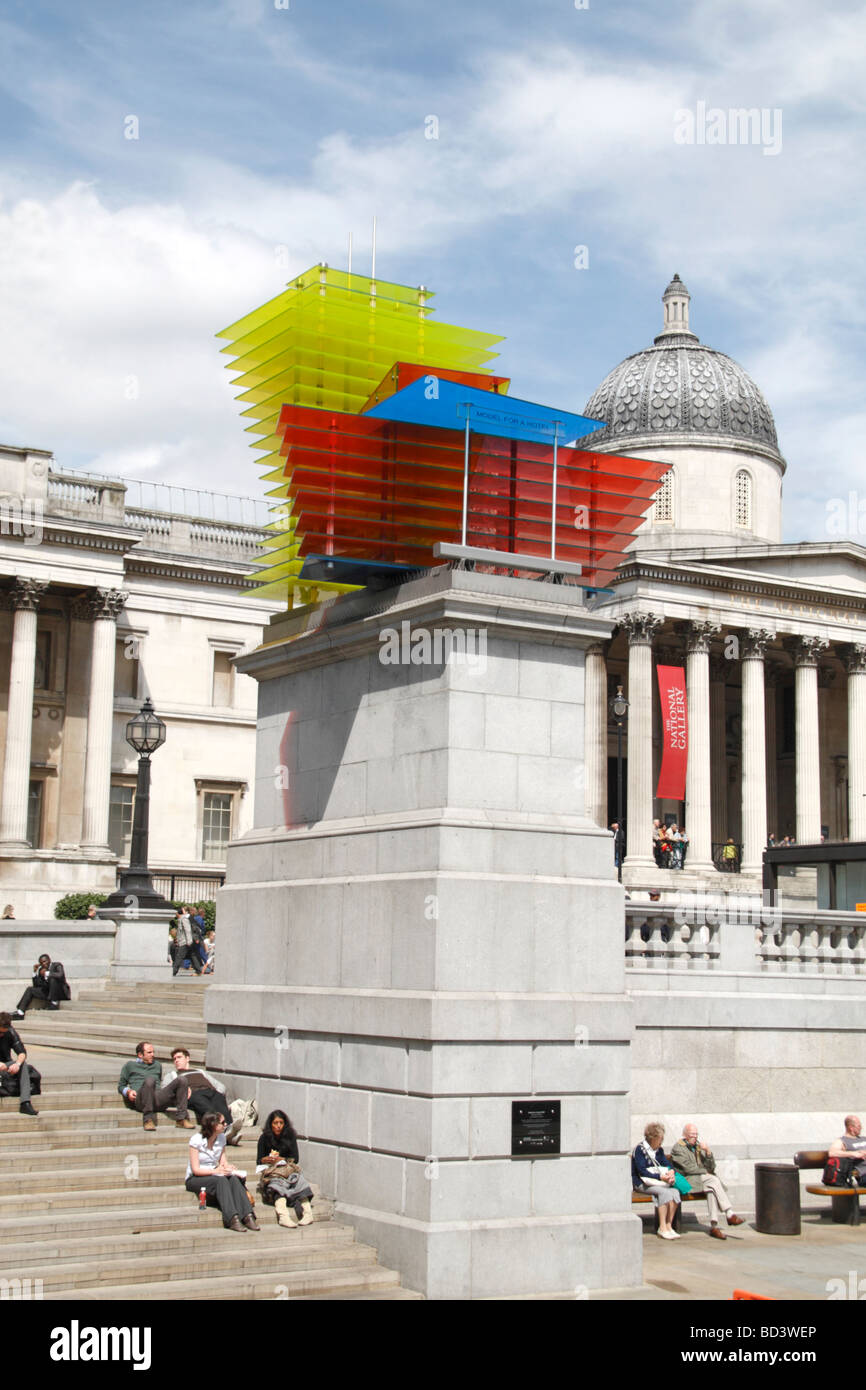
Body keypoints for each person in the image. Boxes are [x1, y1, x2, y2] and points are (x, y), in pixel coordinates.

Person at [186, 1111, 258, 1232]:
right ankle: (231, 1218)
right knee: (220, 1180)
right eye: (222, 1122)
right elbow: (196, 1170)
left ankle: (247, 1216)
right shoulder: (196, 1140)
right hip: (196, 1177)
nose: (225, 1125)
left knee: (234, 1179)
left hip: (215, 1173)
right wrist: (216, 1171)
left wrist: (228, 1167)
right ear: (213, 1125)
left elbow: (223, 1161)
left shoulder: (221, 1138)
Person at [669, 1123, 745, 1239]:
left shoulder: (698, 1146)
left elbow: (711, 1167)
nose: (695, 1137)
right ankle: (729, 1213)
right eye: (692, 1135)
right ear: (685, 1135)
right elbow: (688, 1169)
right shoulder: (678, 1148)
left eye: (696, 1134)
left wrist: (708, 1152)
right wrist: (705, 1171)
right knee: (713, 1180)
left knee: (712, 1188)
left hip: (702, 1180)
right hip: (687, 1181)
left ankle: (714, 1226)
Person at [163, 1047, 243, 1143]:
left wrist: (217, 1092)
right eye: (174, 1059)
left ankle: (230, 1129)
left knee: (219, 1098)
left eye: (179, 1057)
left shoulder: (200, 1071)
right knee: (206, 1106)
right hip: (193, 1094)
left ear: (187, 1058)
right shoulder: (172, 1075)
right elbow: (166, 1090)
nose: (176, 1061)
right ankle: (224, 1130)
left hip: (210, 1091)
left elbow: (220, 1086)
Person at [117, 1040, 195, 1131]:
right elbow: (121, 1086)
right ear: (140, 1055)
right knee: (150, 1080)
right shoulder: (130, 1065)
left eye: (153, 1052)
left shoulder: (157, 1065)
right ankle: (148, 1120)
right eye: (149, 1052)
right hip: (141, 1099)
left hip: (158, 1099)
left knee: (182, 1079)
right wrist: (128, 1091)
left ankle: (181, 1119)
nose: (153, 1054)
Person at [256, 1109, 314, 1228]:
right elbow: (258, 1160)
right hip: (273, 1173)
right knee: (277, 1186)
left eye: (281, 1123)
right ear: (270, 1124)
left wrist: (282, 1159)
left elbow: (295, 1158)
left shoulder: (290, 1136)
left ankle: (308, 1214)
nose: (278, 1126)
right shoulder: (264, 1138)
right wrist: (265, 1160)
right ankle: (283, 1216)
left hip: (288, 1170)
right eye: (275, 1123)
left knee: (299, 1181)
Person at [632, 1121, 681, 1239]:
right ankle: (662, 1227)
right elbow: (642, 1171)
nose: (661, 1141)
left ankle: (669, 1225)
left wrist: (671, 1171)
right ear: (652, 1138)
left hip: (658, 1182)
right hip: (642, 1183)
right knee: (664, 1192)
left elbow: (666, 1163)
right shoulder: (640, 1150)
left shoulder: (659, 1150)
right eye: (660, 1138)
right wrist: (660, 1177)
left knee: (675, 1192)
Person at [0, 1011, 40, 1115]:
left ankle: (25, 1103)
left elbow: (22, 1052)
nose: (2, 1034)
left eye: (4, 1032)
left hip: (5, 1065)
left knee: (23, 1065)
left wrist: (17, 1064)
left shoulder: (10, 1032)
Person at [829, 1115, 866, 1179]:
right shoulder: (842, 1141)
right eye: (859, 1126)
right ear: (851, 1127)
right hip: (862, 1173)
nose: (861, 1128)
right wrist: (854, 1153)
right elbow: (832, 1153)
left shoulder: (864, 1138)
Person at [172, 909, 202, 976]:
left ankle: (174, 971)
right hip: (186, 941)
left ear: (178, 913)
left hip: (185, 942)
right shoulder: (181, 919)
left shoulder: (184, 919)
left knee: (179, 956)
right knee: (192, 955)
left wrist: (189, 941)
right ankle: (198, 970)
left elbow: (187, 930)